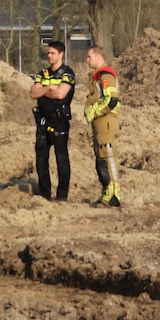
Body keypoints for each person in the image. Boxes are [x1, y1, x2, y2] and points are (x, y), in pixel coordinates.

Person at [30, 40, 76, 202]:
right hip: (43, 119)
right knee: (41, 158)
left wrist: (44, 91)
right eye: (48, 53)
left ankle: (62, 195)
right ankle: (45, 193)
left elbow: (61, 94)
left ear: (61, 54)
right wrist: (49, 88)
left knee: (61, 157)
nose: (49, 56)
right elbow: (33, 93)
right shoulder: (42, 74)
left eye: (52, 53)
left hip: (59, 119)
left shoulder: (67, 73)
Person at [83, 45, 122, 207]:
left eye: (89, 57)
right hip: (99, 123)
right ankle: (106, 192)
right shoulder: (97, 75)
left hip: (105, 122)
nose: (87, 60)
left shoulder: (105, 74)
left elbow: (111, 100)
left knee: (107, 157)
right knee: (100, 159)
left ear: (98, 57)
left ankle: (114, 194)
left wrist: (94, 111)